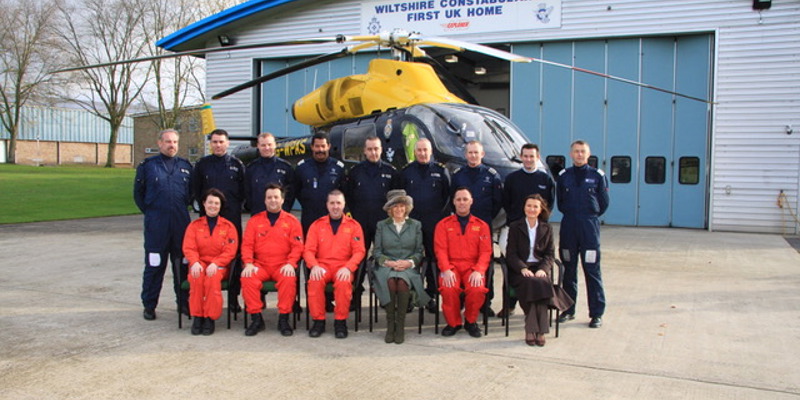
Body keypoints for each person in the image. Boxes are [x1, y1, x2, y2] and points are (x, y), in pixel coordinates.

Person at [134, 129, 193, 321]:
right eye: (168, 142)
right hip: (157, 228)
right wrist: (154, 214)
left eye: (175, 142)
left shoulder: (185, 166)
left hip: (180, 226)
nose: (172, 145)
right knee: (154, 266)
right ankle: (149, 305)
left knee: (182, 267)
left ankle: (184, 303)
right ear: (159, 143)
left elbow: (191, 195)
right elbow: (139, 196)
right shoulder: (148, 166)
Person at [191, 129, 246, 312]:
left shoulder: (237, 165)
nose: (218, 145)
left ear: (227, 143)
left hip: (231, 219)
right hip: (208, 221)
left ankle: (232, 299)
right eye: (214, 142)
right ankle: (205, 299)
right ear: (210, 144)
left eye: (221, 142)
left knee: (233, 259)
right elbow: (196, 191)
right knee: (206, 256)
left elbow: (243, 191)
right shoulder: (202, 165)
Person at [556, 140, 610, 328]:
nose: (579, 155)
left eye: (583, 152)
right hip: (569, 226)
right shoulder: (563, 176)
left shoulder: (597, 176)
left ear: (589, 154)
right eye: (576, 151)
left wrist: (589, 216)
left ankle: (596, 314)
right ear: (571, 154)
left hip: (589, 228)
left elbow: (603, 203)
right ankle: (568, 309)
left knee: (592, 270)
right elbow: (561, 203)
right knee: (568, 269)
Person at [498, 143, 555, 318]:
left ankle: (534, 304)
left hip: (536, 231)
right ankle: (509, 305)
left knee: (535, 268)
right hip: (514, 230)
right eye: (526, 156)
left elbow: (549, 204)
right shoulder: (512, 178)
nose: (529, 159)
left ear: (538, 158)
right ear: (521, 157)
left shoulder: (545, 180)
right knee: (510, 267)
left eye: (532, 156)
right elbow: (506, 202)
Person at [240, 184, 304, 337]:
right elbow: (247, 245)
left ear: (282, 200)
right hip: (259, 265)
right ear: (265, 200)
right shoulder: (255, 221)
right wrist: (248, 263)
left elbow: (298, 246)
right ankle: (256, 318)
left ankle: (284, 319)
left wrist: (291, 263)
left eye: (276, 197)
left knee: (288, 279)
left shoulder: (292, 221)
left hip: (282, 265)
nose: (273, 200)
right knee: (247, 277)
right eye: (269, 197)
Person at [344, 136, 400, 305]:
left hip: (383, 227)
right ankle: (355, 294)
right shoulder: (355, 172)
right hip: (360, 226)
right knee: (358, 260)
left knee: (384, 261)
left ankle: (385, 295)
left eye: (376, 149)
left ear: (381, 149)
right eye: (370, 149)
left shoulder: (391, 172)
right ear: (364, 151)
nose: (373, 152)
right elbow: (348, 198)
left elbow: (397, 202)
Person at [303, 190, 366, 339]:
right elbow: (308, 250)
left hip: (343, 266)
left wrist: (348, 267)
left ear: (344, 205)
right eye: (332, 203)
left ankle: (340, 322)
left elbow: (359, 251)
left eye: (338, 203)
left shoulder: (354, 225)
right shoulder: (316, 225)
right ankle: (318, 321)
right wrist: (314, 266)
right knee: (315, 281)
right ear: (327, 205)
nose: (335, 206)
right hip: (322, 265)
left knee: (344, 283)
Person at [450, 140, 502, 316]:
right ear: (465, 155)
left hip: (483, 226)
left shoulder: (491, 175)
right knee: (462, 262)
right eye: (470, 152)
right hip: (462, 226)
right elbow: (452, 198)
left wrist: (486, 219)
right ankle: (464, 300)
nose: (473, 156)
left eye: (476, 152)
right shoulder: (458, 175)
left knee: (485, 265)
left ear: (482, 154)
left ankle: (485, 303)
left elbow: (497, 202)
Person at [372, 190, 430, 344]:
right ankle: (391, 325)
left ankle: (401, 325)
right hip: (387, 266)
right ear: (389, 209)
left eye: (402, 206)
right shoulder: (381, 226)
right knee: (391, 281)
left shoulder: (416, 225)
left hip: (408, 266)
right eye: (395, 206)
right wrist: (389, 262)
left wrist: (409, 262)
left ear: (407, 207)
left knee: (402, 282)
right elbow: (377, 252)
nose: (399, 209)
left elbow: (419, 252)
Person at [434, 187, 493, 338]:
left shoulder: (482, 225)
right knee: (448, 288)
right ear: (453, 202)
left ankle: (470, 321)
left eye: (465, 199)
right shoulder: (443, 224)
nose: (462, 203)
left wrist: (479, 270)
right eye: (458, 199)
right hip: (451, 266)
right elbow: (440, 250)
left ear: (471, 202)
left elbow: (486, 251)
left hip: (472, 267)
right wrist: (445, 269)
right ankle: (453, 323)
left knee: (477, 288)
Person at [400, 138, 450, 313]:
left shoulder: (441, 172)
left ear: (431, 152)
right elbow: (401, 200)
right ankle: (410, 296)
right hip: (411, 226)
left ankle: (431, 296)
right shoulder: (406, 173)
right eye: (419, 150)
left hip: (433, 225)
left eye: (425, 150)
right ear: (415, 152)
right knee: (410, 261)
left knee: (433, 262)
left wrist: (439, 219)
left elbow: (447, 198)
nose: (422, 153)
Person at [182, 189, 239, 335]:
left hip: (218, 266)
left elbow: (230, 250)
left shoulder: (228, 227)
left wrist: (217, 263)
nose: (213, 206)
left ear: (220, 206)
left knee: (212, 280)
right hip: (199, 264)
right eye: (210, 202)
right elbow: (189, 247)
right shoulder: (194, 226)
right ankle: (197, 316)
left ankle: (209, 318)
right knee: (196, 278)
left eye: (216, 203)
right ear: (204, 204)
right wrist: (194, 262)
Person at [505, 194, 559, 346]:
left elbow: (550, 254)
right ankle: (539, 329)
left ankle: (533, 329)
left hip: (539, 268)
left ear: (541, 209)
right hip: (520, 269)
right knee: (532, 283)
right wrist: (522, 267)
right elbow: (511, 253)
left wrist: (543, 268)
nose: (531, 209)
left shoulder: (547, 228)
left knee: (539, 282)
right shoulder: (516, 226)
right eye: (529, 205)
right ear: (524, 207)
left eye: (535, 206)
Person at [294, 133, 345, 234]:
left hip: (332, 218)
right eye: (317, 146)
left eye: (323, 146)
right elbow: (296, 191)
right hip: (309, 218)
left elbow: (345, 192)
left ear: (329, 146)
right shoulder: (302, 167)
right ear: (312, 147)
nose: (320, 150)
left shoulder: (339, 168)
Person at [245, 132, 295, 215]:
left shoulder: (285, 167)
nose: (267, 148)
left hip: (280, 216)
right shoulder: (251, 168)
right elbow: (247, 192)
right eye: (263, 145)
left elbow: (291, 192)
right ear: (258, 146)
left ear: (275, 145)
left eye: (269, 144)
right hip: (258, 215)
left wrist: (285, 209)